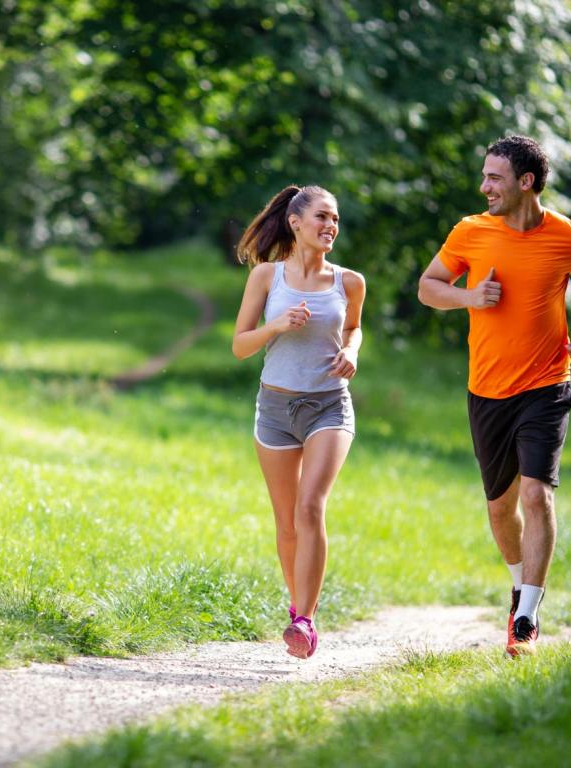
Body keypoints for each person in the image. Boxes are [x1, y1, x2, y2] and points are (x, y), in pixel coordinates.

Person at [418, 135, 571, 656]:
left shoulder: (569, 236)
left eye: (494, 177)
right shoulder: (471, 232)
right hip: (487, 390)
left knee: (536, 493)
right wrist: (468, 297)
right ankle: (517, 586)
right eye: (484, 176)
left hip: (548, 384)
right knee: (502, 508)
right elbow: (428, 286)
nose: (484, 187)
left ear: (526, 182)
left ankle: (527, 612)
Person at [232, 185, 366, 659]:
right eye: (323, 217)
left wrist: (350, 351)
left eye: (336, 220)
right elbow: (241, 345)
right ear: (295, 221)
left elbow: (353, 326)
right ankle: (296, 609)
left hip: (329, 405)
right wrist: (276, 326)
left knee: (311, 507)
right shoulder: (267, 278)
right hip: (274, 408)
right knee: (286, 523)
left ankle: (307, 621)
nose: (331, 226)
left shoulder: (349, 282)